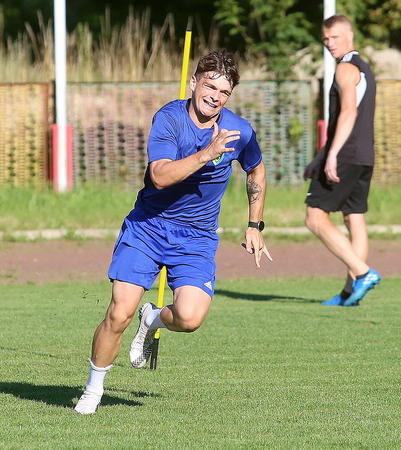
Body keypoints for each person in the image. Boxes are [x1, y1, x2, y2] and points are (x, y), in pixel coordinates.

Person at [74, 49, 272, 414]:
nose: (215, 96)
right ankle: (93, 389)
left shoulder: (239, 131)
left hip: (197, 238)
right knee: (119, 314)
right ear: (194, 83)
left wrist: (254, 224)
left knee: (190, 318)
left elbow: (256, 169)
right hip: (148, 228)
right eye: (209, 86)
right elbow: (160, 176)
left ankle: (151, 318)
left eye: (224, 92)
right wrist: (207, 153)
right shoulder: (169, 118)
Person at [304, 14, 380, 307]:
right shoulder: (364, 68)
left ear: (350, 35)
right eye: (325, 39)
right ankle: (350, 293)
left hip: (346, 154)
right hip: (363, 155)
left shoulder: (345, 68)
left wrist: (332, 155)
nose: (329, 43)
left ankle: (363, 273)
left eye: (334, 37)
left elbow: (348, 113)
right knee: (354, 216)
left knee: (314, 217)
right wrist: (322, 156)